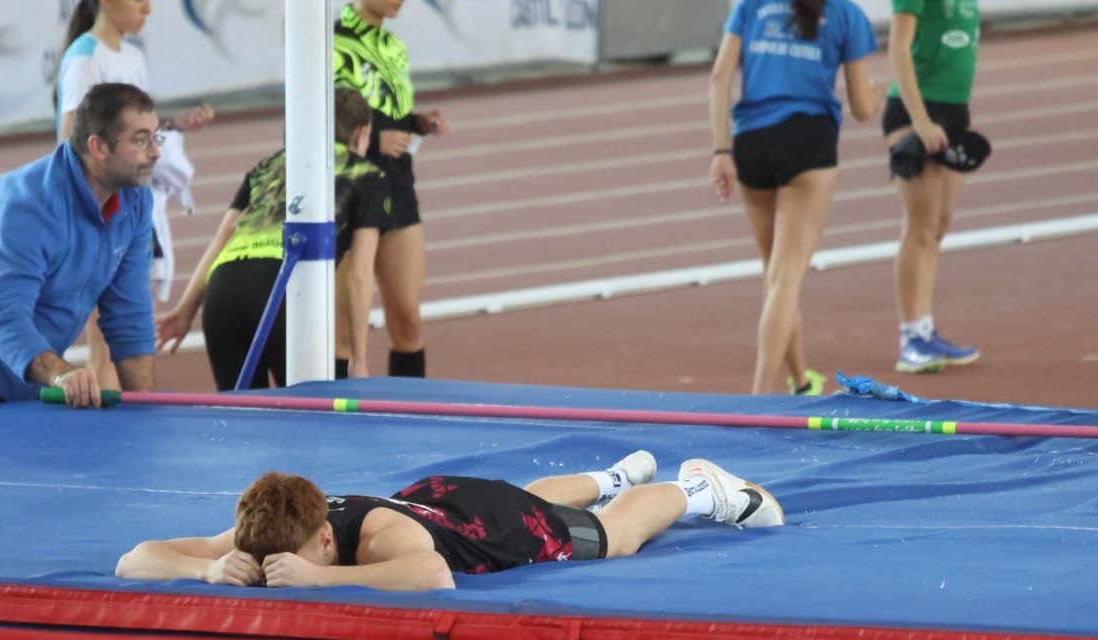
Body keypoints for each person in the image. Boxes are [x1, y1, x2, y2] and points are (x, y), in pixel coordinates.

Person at [115, 452, 785, 592]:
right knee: (531, 495)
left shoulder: (377, 538)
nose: (272, 572)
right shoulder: (270, 528)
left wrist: (322, 582)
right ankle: (611, 474)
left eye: (291, 561)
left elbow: (432, 574)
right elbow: (136, 558)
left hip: (479, 528)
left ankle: (697, 489)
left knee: (607, 537)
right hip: (442, 496)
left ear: (325, 538)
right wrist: (205, 564)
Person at [0, 82, 160, 412]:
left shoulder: (134, 202)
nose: (155, 151)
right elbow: (2, 315)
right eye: (141, 140)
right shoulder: (28, 205)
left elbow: (129, 315)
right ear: (98, 147)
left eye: (156, 137)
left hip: (19, 352)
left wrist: (150, 412)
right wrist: (61, 374)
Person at [155, 89, 390, 388]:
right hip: (284, 287)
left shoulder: (269, 165)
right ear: (361, 134)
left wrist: (184, 312)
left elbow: (221, 240)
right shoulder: (368, 175)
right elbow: (360, 274)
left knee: (241, 423)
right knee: (307, 423)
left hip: (223, 290)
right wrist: (360, 360)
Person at [709, 0, 881, 396]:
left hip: (751, 143)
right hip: (808, 142)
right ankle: (758, 399)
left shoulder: (752, 6)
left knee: (776, 276)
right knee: (785, 278)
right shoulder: (844, 14)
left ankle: (801, 380)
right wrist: (878, 91)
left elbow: (719, 79)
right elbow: (861, 107)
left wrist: (721, 152)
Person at [57, 0, 214, 391]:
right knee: (105, 343)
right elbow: (70, 143)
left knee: (131, 330)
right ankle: (111, 434)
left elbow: (132, 129)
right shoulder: (84, 60)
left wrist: (173, 125)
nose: (149, 8)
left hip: (132, 203)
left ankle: (128, 422)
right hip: (97, 211)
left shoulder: (131, 55)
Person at [333, 0, 447, 379]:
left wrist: (416, 122)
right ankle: (337, 427)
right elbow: (319, 114)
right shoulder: (329, 43)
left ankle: (409, 423)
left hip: (396, 183)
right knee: (343, 332)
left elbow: (390, 112)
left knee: (409, 322)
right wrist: (376, 136)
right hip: (346, 187)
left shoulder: (393, 46)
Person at [885, 0, 983, 374]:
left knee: (940, 223)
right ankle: (910, 338)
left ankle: (925, 329)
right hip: (915, 111)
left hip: (955, 111)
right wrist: (921, 120)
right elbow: (898, 46)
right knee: (920, 226)